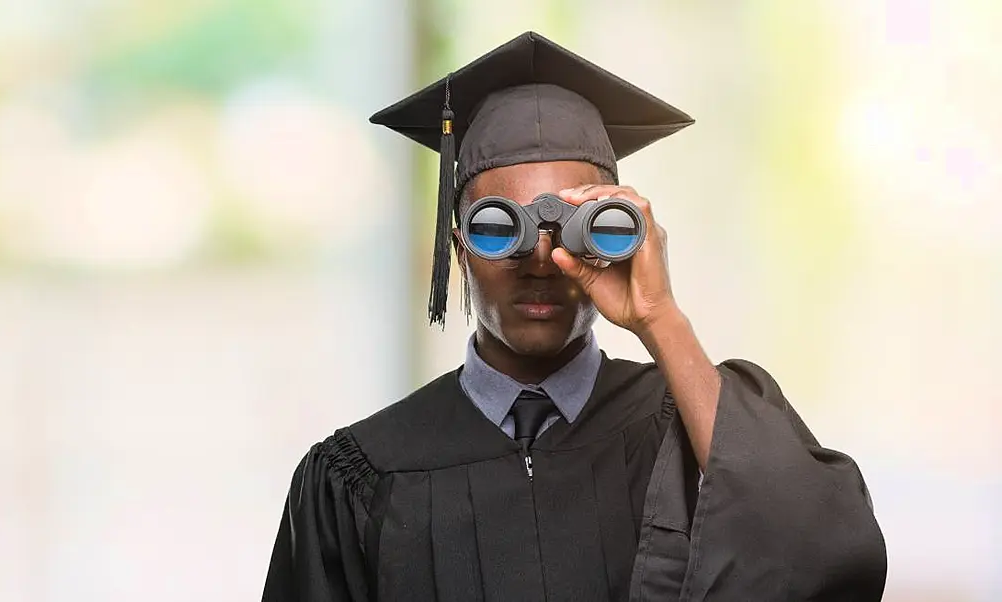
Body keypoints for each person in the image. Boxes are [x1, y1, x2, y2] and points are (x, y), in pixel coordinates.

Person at [262, 31, 887, 601]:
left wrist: (659, 317)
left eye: (577, 228)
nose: (540, 259)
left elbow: (823, 566)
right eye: (497, 227)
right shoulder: (360, 473)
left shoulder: (689, 428)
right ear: (459, 249)